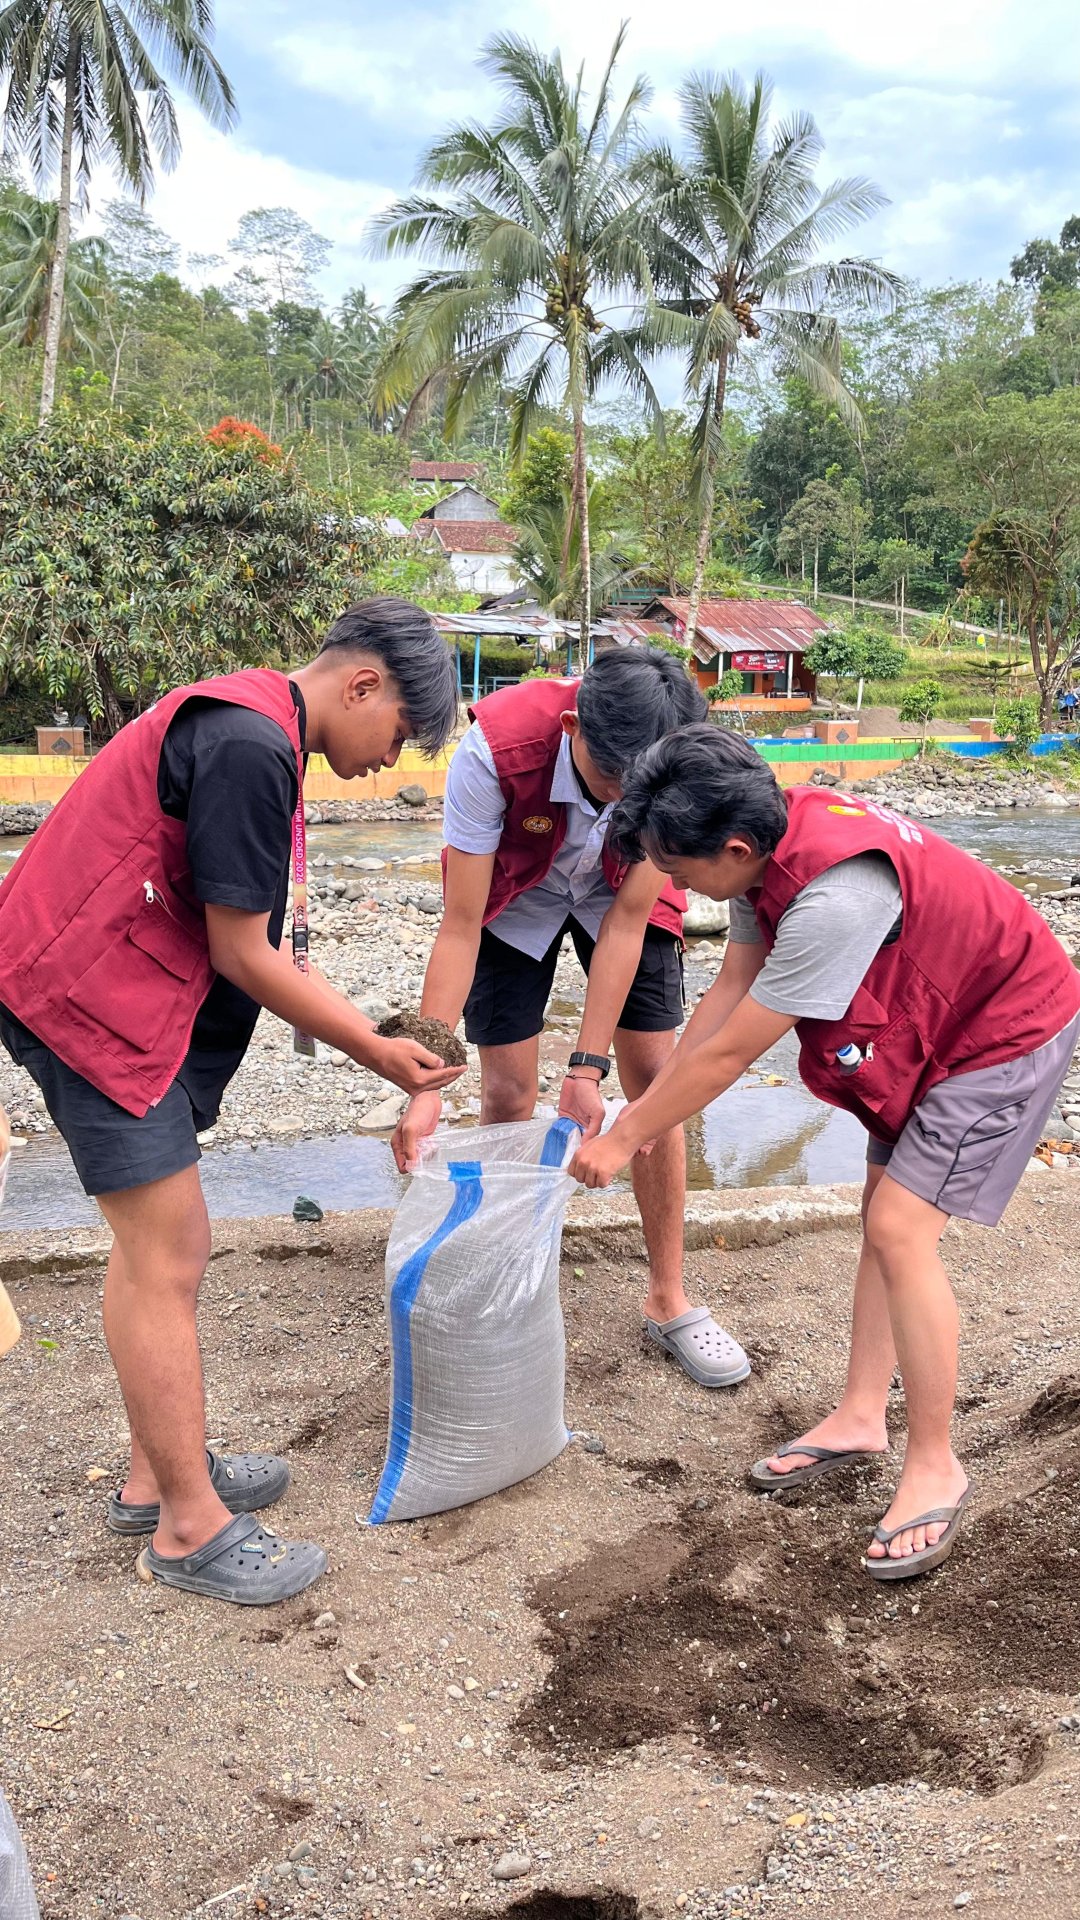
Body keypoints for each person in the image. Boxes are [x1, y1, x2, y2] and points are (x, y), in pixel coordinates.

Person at [0, 599, 464, 1607]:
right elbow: (240, 950)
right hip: (87, 1000)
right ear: (362, 685)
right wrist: (376, 1052)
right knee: (169, 1254)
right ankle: (187, 1527)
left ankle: (153, 1474)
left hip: (95, 984)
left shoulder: (257, 721)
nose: (396, 761)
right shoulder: (255, 746)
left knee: (151, 1249)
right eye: (399, 736)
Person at [571, 726, 1080, 1580]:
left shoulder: (833, 897)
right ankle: (857, 1416)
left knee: (900, 1230)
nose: (679, 889)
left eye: (681, 871)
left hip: (1000, 1030)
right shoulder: (764, 849)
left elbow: (736, 1054)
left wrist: (626, 1136)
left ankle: (935, 1463)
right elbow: (728, 998)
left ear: (732, 849)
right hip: (925, 1021)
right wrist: (649, 1113)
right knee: (880, 1217)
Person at [391, 650, 750, 1389]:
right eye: (615, 784)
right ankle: (508, 1279)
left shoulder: (668, 773)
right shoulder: (492, 753)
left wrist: (588, 1070)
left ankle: (668, 1297)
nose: (628, 799)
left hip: (619, 892)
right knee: (507, 1093)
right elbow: (461, 925)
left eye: (643, 793)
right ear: (570, 727)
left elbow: (625, 921)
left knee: (654, 1080)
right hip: (514, 894)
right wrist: (422, 1085)